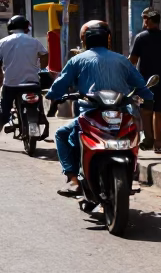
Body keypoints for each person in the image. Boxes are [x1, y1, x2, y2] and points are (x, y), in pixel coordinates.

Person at [48, 21, 154, 197]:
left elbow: (60, 84)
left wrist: (53, 96)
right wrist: (148, 97)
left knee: (61, 134)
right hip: (120, 113)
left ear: (85, 41)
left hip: (91, 113)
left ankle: (74, 180)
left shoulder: (77, 60)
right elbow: (140, 84)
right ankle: (130, 175)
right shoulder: (122, 60)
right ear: (107, 40)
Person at [128, 7, 161, 153]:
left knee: (146, 110)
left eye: (144, 18)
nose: (144, 21)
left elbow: (133, 60)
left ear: (148, 20)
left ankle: (149, 138)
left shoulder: (141, 38)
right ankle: (158, 140)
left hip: (145, 82)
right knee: (159, 111)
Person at [0, 15, 49, 133]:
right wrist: (40, 67)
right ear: (26, 27)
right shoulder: (34, 41)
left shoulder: (2, 42)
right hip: (32, 83)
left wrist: (1, 78)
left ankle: (4, 121)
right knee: (38, 100)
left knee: (4, 112)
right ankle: (41, 115)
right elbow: (44, 55)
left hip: (11, 84)